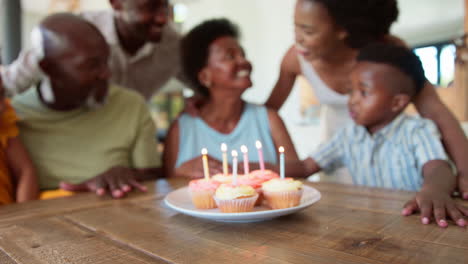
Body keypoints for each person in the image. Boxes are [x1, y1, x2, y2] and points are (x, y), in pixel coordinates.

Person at [266, 0, 468, 196]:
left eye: (308, 31)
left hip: (391, 154)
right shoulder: (296, 58)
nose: (297, 38)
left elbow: (435, 112)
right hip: (341, 150)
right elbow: (266, 113)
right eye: (296, 27)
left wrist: (465, 171)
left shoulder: (387, 56)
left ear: (342, 30)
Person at [290, 43, 467, 227]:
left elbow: (438, 168)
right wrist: (261, 168)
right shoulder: (348, 135)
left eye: (364, 92)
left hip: (415, 222)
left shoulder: (417, 130)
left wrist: (434, 190)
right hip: (373, 225)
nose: (353, 100)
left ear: (397, 102)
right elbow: (306, 166)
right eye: (351, 91)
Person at [12, 14, 160, 199]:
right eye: (92, 65)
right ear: (49, 68)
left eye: (106, 61)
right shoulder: (13, 117)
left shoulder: (131, 105)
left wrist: (125, 174)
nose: (106, 74)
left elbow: (154, 175)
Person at [163, 18, 299, 178]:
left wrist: (264, 170)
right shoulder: (182, 128)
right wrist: (180, 171)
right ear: (205, 77)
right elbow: (166, 185)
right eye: (230, 56)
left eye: (242, 54)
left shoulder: (268, 119)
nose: (244, 61)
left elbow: (299, 174)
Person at [1, 0, 183, 100]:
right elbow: (10, 84)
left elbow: (203, 81)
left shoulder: (174, 46)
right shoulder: (71, 37)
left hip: (127, 137)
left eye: (165, 6)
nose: (162, 18)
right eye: (150, 7)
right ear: (116, 3)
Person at [0, 97, 38, 205]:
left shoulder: (3, 118)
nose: (2, 108)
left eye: (1, 95)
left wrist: (23, 214)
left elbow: (24, 171)